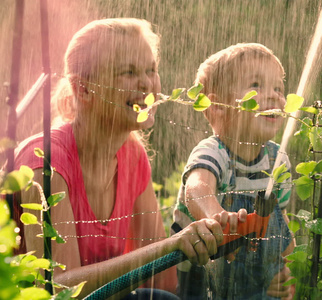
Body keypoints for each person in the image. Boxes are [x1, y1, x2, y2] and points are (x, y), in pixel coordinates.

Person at [13, 18, 223, 299]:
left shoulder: (132, 157)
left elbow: (161, 281)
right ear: (84, 89)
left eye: (151, 70)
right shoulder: (45, 164)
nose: (147, 83)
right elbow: (57, 290)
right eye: (128, 72)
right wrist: (167, 247)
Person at [172, 43, 295, 300]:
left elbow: (282, 223)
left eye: (278, 88)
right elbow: (197, 189)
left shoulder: (277, 160)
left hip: (256, 286)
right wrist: (216, 217)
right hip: (203, 284)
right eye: (256, 85)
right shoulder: (214, 152)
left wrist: (286, 271)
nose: (274, 96)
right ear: (218, 106)